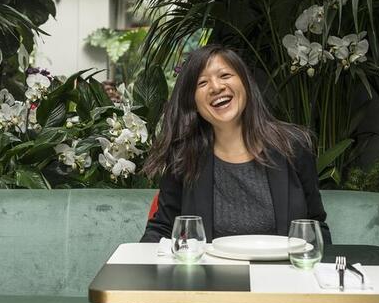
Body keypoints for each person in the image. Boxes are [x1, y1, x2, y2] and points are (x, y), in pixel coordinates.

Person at [141, 44, 330, 244]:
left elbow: (315, 225)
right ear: (193, 101)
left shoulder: (293, 145)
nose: (216, 87)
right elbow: (163, 227)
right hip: (210, 274)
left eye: (224, 75)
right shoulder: (184, 155)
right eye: (202, 83)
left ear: (245, 82)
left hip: (282, 272)